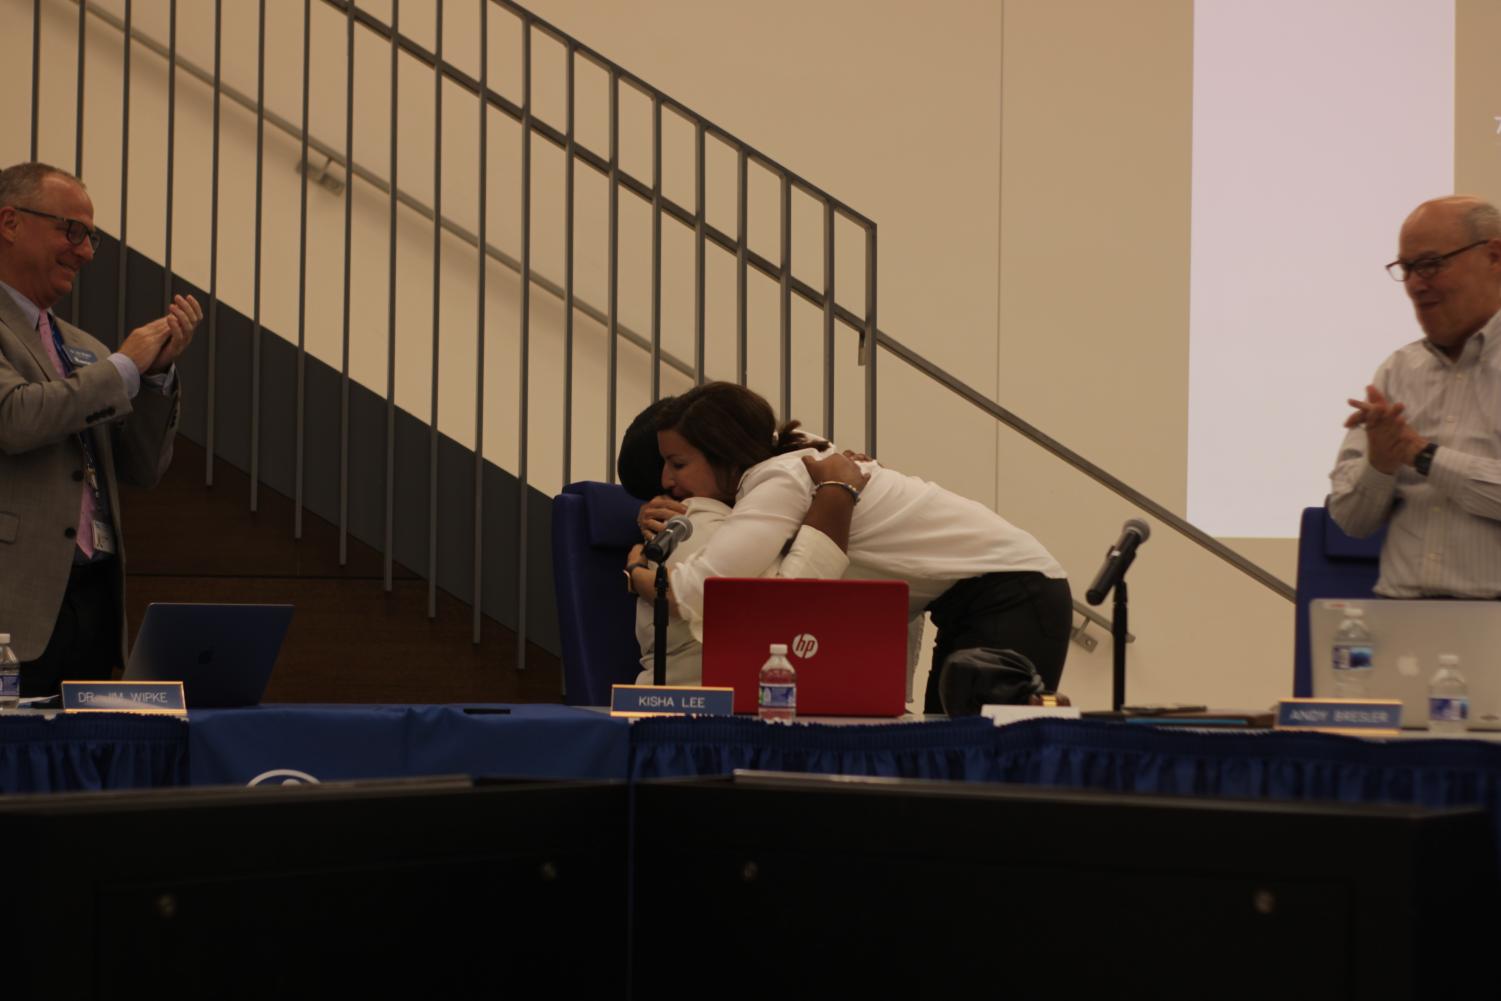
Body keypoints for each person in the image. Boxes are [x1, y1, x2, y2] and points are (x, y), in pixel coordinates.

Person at [626, 381, 1072, 712]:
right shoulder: (794, 473)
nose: (667, 481)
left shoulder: (781, 478)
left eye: (678, 464)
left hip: (1012, 591)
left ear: (723, 452)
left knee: (974, 764)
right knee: (948, 754)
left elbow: (711, 591)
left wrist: (637, 575)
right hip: (978, 595)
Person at [0, 162, 200, 695]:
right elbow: (14, 419)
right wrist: (122, 368)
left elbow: (140, 467)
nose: (85, 252)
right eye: (73, 231)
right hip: (14, 609)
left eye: (91, 238)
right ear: (10, 223)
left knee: (78, 770)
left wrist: (153, 378)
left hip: (93, 602)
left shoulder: (80, 343)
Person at [618, 396, 862, 685]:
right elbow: (790, 608)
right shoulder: (697, 522)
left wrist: (638, 574)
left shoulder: (773, 487)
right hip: (707, 707)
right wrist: (837, 494)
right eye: (673, 464)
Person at [1329, 195, 1501, 597]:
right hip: (1400, 622)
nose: (1415, 284)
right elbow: (1350, 520)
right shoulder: (1397, 372)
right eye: (1406, 269)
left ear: (1494, 257)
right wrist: (1381, 465)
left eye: (1430, 264)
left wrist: (1423, 456)